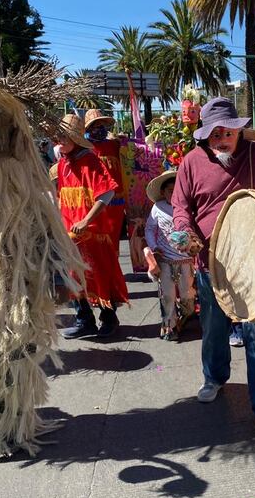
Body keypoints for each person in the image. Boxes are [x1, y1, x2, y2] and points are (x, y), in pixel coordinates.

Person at [171, 96, 255, 440]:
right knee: (212, 324)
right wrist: (186, 233)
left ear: (238, 131)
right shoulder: (191, 163)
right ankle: (214, 376)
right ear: (205, 136)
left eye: (227, 132)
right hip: (211, 260)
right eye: (214, 134)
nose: (221, 138)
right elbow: (181, 207)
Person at [56, 113, 129, 338]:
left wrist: (87, 220)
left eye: (64, 138)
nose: (59, 142)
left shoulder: (91, 161)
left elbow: (106, 193)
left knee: (101, 276)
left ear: (76, 139)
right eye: (58, 138)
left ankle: (109, 318)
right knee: (74, 278)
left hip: (95, 235)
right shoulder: (61, 165)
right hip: (70, 236)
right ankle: (84, 321)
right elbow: (61, 198)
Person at [144, 170, 195, 342]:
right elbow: (150, 229)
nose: (173, 194)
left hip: (187, 260)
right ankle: (169, 327)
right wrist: (154, 246)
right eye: (169, 191)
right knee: (168, 296)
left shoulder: (188, 206)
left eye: (176, 190)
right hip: (165, 260)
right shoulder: (157, 207)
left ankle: (185, 315)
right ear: (163, 192)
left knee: (188, 295)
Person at [84, 109, 126, 254]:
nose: (100, 128)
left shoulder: (114, 145)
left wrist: (125, 142)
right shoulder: (85, 147)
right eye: (96, 125)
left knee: (113, 234)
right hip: (95, 200)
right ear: (89, 128)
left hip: (116, 200)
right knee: (97, 235)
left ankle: (113, 267)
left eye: (102, 125)